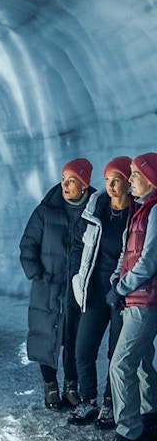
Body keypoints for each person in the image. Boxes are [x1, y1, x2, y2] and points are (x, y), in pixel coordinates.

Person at [92, 152, 157, 441]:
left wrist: (120, 287)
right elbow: (126, 254)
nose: (129, 179)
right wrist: (117, 280)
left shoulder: (155, 210)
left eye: (134, 174)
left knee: (120, 366)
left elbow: (148, 261)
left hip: (146, 300)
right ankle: (151, 422)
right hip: (135, 297)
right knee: (142, 363)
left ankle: (128, 439)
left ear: (150, 178)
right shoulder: (140, 211)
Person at [20, 158, 95, 409]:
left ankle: (71, 386)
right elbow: (28, 245)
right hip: (48, 286)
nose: (65, 184)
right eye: (64, 179)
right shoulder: (46, 210)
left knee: (74, 338)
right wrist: (37, 273)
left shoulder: (95, 210)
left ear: (84, 184)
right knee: (47, 335)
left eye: (72, 180)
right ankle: (50, 386)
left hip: (78, 290)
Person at [68, 157, 131, 427]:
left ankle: (109, 404)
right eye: (107, 180)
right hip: (94, 289)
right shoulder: (97, 208)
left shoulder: (137, 213)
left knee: (114, 353)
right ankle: (88, 401)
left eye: (116, 180)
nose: (110, 185)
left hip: (121, 293)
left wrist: (120, 287)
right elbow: (82, 246)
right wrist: (78, 278)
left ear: (129, 183)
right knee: (83, 349)